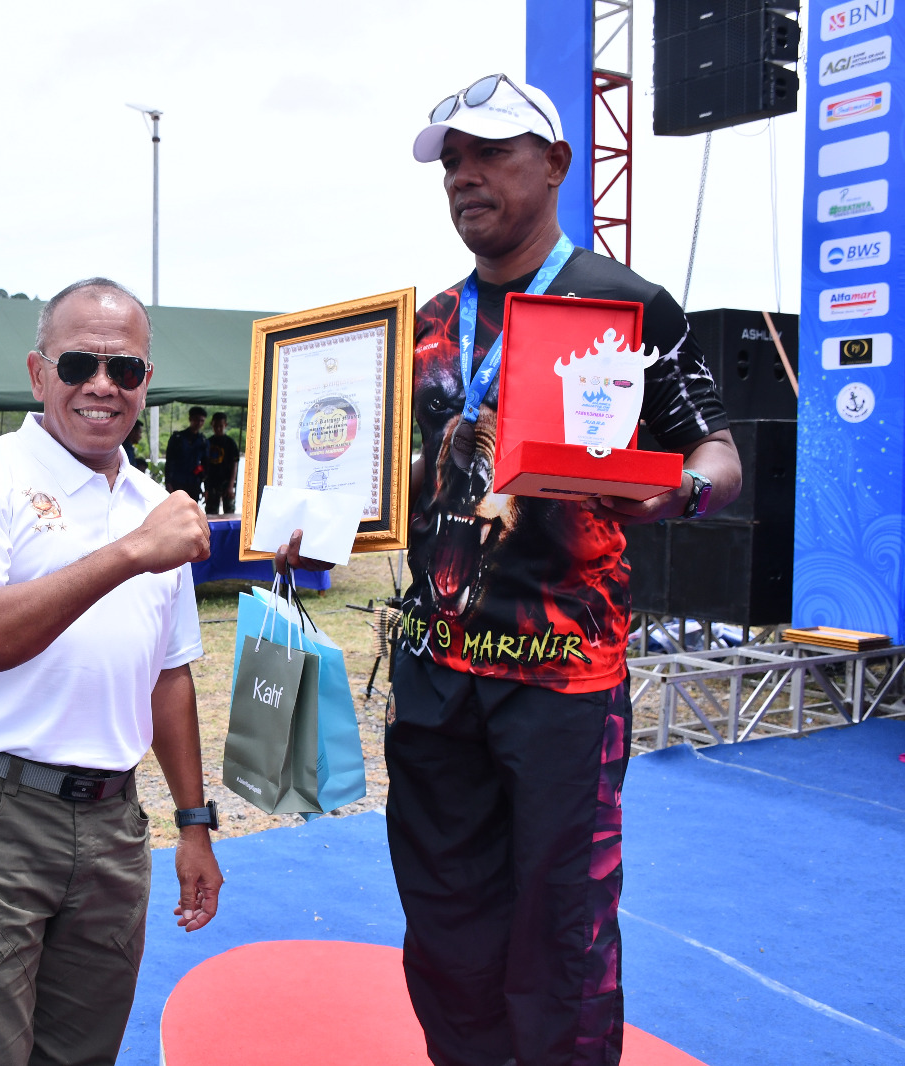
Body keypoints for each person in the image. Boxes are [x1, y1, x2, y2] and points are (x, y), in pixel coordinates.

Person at [391, 74, 741, 1066]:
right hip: (435, 669)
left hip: (562, 677)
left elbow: (717, 454)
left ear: (553, 164)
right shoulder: (426, 324)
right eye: (452, 162)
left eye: (490, 154)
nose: (464, 177)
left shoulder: (626, 305)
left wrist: (678, 492)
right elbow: (402, 479)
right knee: (445, 921)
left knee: (561, 928)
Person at [0, 277, 221, 1066]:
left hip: (110, 822)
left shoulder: (153, 503)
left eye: (125, 368)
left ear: (147, 381)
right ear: (38, 373)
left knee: (82, 1053)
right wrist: (129, 553)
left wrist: (193, 822)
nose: (102, 385)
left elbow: (168, 675)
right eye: (79, 364)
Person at [162, 406, 207, 499]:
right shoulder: (177, 438)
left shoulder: (203, 441)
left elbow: (205, 463)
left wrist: (204, 483)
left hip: (194, 482)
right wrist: (168, 482)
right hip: (177, 481)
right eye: (196, 419)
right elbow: (169, 461)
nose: (199, 423)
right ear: (190, 419)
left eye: (202, 421)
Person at [202, 412, 240, 516]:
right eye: (215, 426)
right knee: (211, 512)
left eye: (221, 426)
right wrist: (206, 488)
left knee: (229, 511)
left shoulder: (230, 443)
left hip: (226, 481)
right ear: (212, 425)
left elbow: (235, 465)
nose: (218, 429)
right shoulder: (208, 442)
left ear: (225, 425)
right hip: (212, 482)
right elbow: (204, 466)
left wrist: (231, 485)